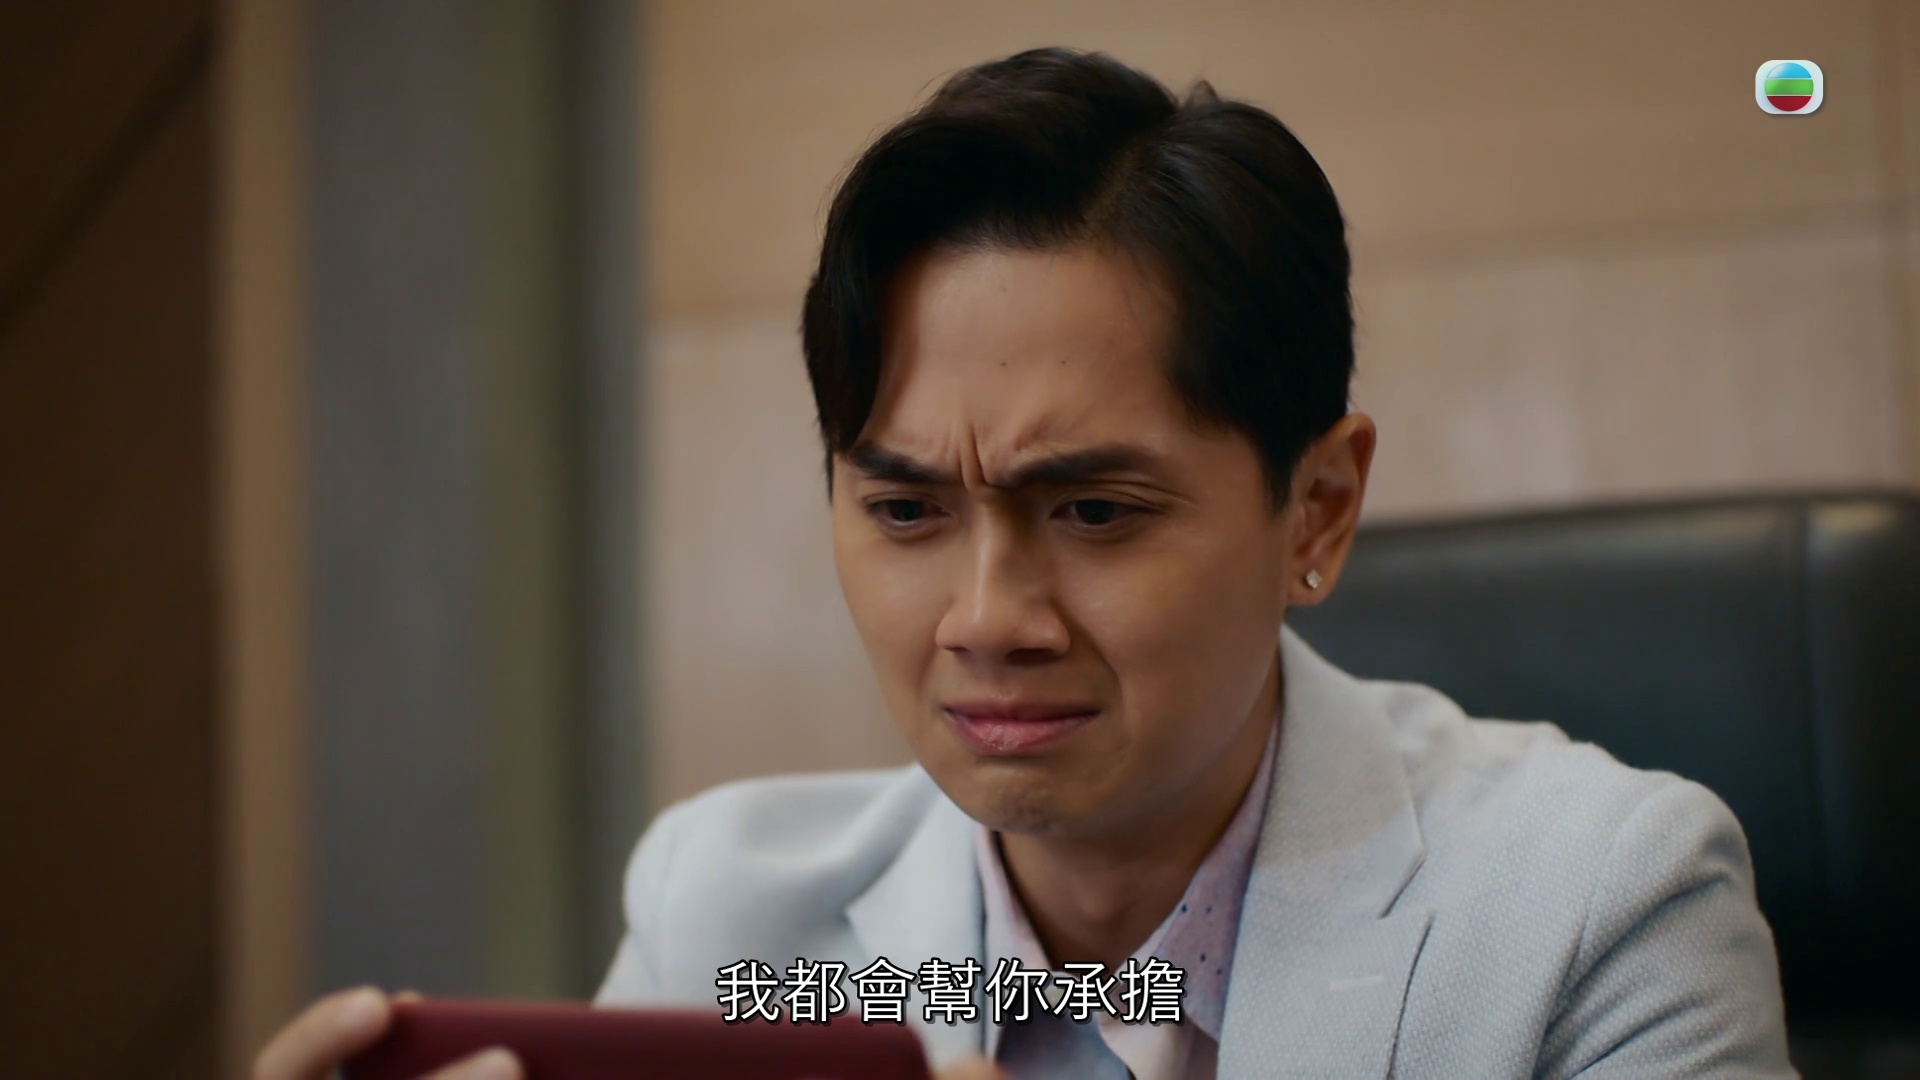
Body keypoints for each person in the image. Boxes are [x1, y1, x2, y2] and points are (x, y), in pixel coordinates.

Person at [257, 47, 1795, 1080]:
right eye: (906, 512)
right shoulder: (734, 923)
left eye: (1097, 513)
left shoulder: (1597, 910)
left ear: (1318, 510)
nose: (988, 621)